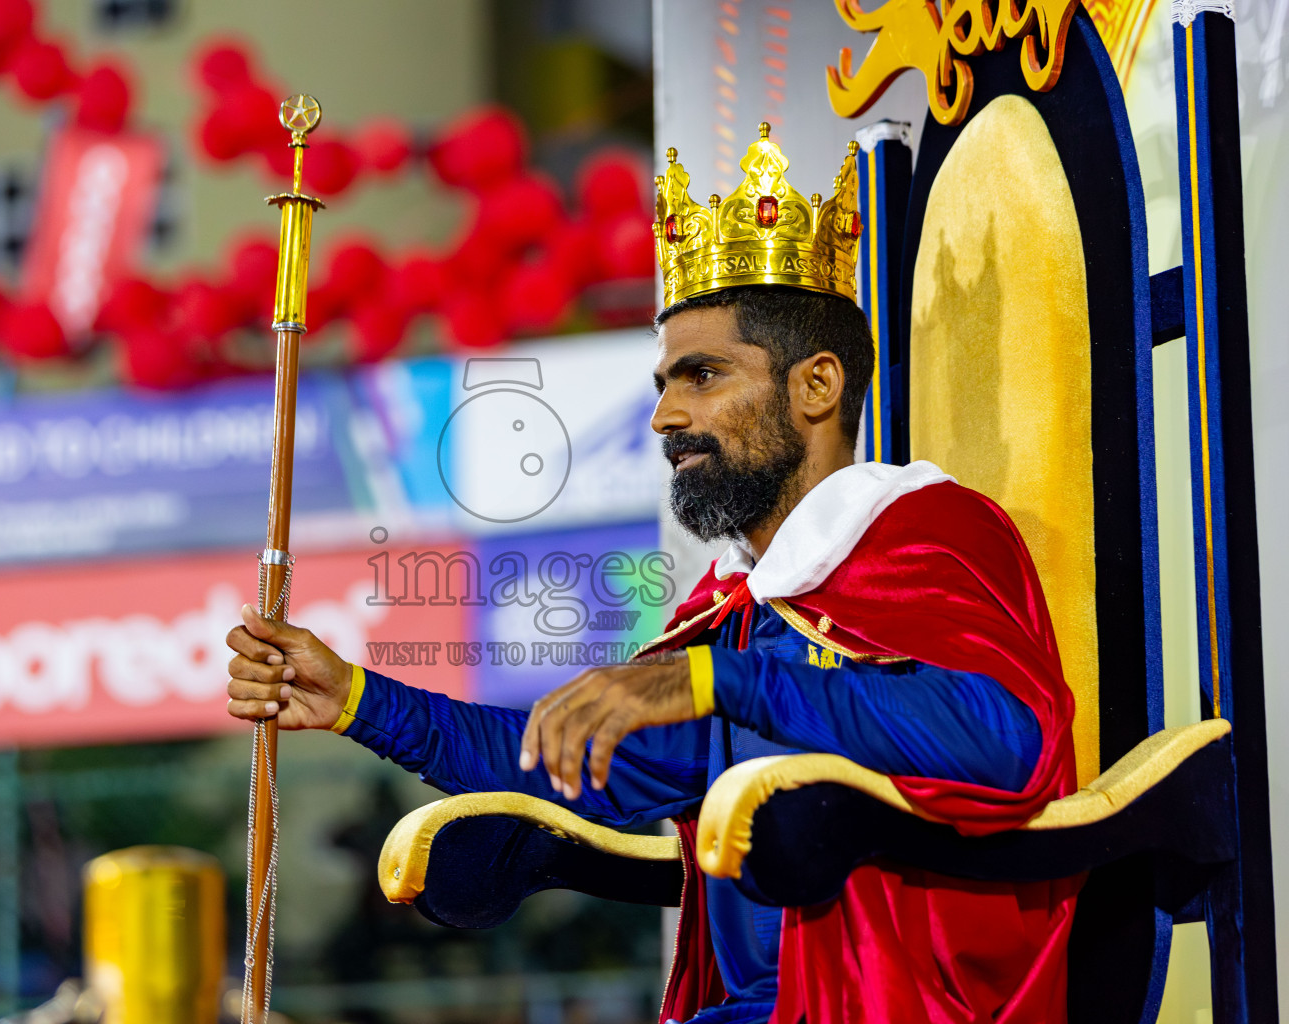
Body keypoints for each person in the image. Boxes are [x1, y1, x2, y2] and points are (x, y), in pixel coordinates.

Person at [226, 134, 1078, 1024]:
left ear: (817, 385)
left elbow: (1010, 741)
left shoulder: (924, 532)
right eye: (666, 384)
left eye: (703, 376)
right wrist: (357, 699)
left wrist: (717, 681)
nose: (667, 416)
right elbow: (568, 766)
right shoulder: (736, 614)